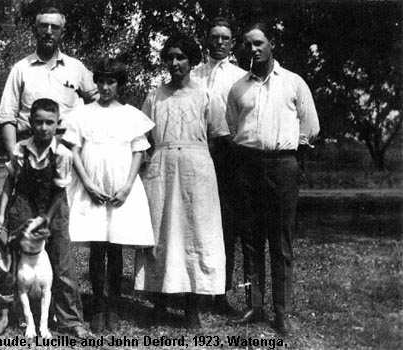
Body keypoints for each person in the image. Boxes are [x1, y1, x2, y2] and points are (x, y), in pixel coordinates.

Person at [226, 22, 319, 336]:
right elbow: (232, 124)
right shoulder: (239, 87)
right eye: (248, 45)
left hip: (282, 166)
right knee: (251, 241)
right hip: (247, 166)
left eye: (259, 43)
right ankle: (254, 305)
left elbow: (311, 126)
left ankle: (282, 311)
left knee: (280, 242)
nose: (253, 50)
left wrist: (290, 154)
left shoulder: (293, 83)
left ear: (271, 44)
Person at [134, 35, 227, 328]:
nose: (175, 63)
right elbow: (141, 137)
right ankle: (159, 303)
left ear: (191, 60)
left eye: (181, 57)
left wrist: (196, 159)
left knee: (194, 233)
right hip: (160, 170)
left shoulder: (204, 95)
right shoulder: (155, 96)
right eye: (170, 57)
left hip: (196, 173)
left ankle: (191, 307)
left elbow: (219, 136)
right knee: (160, 233)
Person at [63, 58, 155, 333]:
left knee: (115, 248)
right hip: (92, 187)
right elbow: (74, 151)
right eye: (101, 81)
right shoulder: (82, 113)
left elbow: (139, 151)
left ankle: (113, 304)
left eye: (110, 82)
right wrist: (89, 185)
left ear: (120, 85)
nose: (104, 87)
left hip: (120, 189)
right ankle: (98, 305)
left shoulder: (130, 114)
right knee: (97, 248)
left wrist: (127, 186)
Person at [0, 98, 92, 338]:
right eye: (38, 122)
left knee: (62, 261)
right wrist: (1, 213)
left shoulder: (63, 153)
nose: (44, 128)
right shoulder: (21, 148)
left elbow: (60, 191)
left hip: (54, 208)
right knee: (11, 259)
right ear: (30, 122)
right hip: (23, 204)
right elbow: (10, 182)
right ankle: (5, 315)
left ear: (58, 124)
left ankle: (70, 320)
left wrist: (46, 217)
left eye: (49, 123)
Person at [191, 17, 247, 316]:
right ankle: (197, 289)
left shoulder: (241, 76)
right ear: (206, 40)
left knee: (226, 223)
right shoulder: (193, 74)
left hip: (229, 152)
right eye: (215, 37)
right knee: (198, 220)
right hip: (198, 149)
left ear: (232, 41)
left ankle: (221, 292)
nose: (220, 42)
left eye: (226, 37)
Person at [0, 6, 97, 159]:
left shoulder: (76, 68)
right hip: (30, 150)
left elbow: (99, 103)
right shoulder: (20, 69)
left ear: (62, 32)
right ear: (36, 30)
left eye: (55, 27)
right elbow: (6, 116)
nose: (49, 31)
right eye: (44, 26)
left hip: (69, 150)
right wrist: (14, 157)